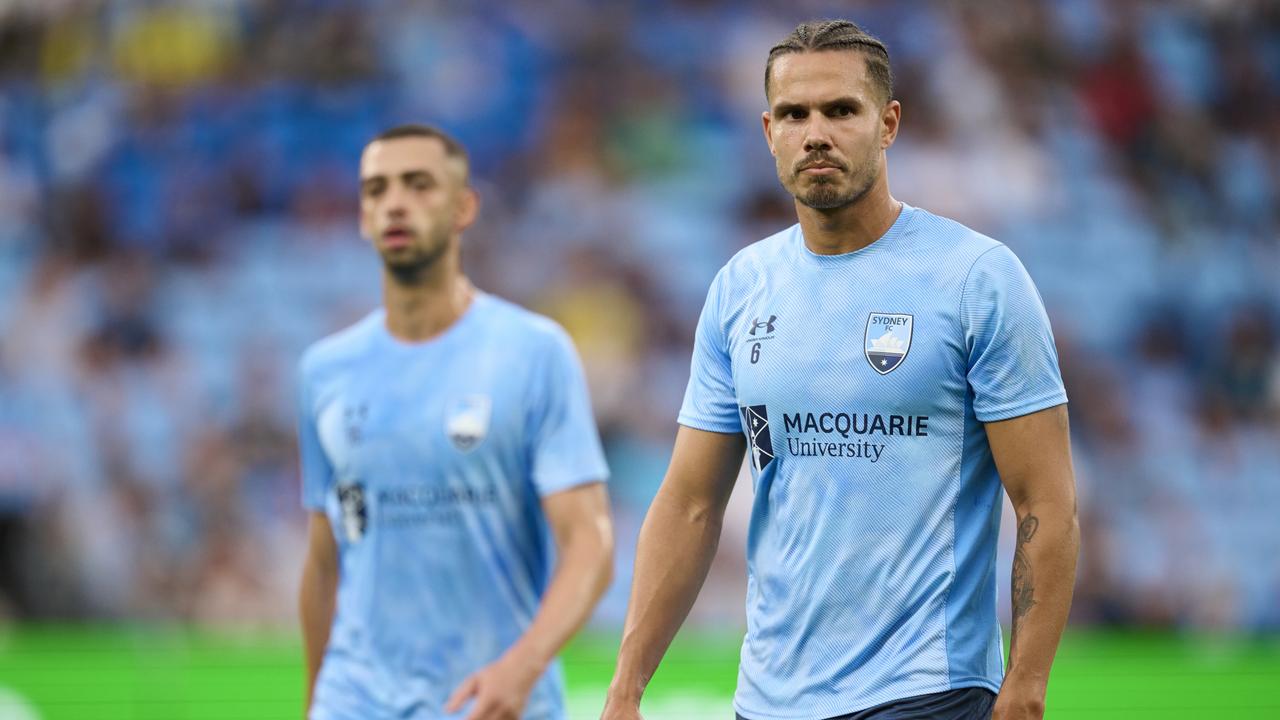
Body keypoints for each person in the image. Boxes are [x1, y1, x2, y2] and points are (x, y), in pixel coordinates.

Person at [601, 19, 1079, 720]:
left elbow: (1045, 501)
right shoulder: (742, 288)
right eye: (794, 114)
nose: (815, 132)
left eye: (840, 110)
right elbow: (690, 502)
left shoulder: (976, 278)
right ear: (769, 131)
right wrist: (626, 685)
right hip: (768, 699)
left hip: (928, 689)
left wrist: (1027, 682)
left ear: (888, 124)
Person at [297, 124, 615, 720]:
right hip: (356, 700)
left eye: (419, 185)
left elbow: (590, 545)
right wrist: (315, 704)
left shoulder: (533, 353)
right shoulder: (325, 371)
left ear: (464, 207)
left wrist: (521, 668)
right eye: (376, 190)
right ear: (362, 216)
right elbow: (324, 559)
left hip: (491, 700)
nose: (394, 203)